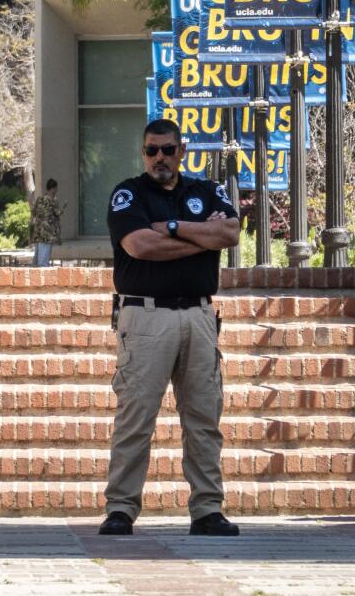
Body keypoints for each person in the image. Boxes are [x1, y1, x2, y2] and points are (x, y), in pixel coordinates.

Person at [100, 118, 241, 536]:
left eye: (167, 149)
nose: (159, 157)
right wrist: (203, 238)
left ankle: (207, 509)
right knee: (135, 416)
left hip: (199, 316)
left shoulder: (206, 191)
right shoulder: (129, 194)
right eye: (151, 150)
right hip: (145, 317)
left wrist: (176, 227)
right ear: (143, 154)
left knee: (203, 416)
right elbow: (140, 245)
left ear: (182, 151)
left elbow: (230, 232)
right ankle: (121, 508)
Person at [30, 178, 64, 266]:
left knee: (37, 259)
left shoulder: (39, 199)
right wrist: (64, 207)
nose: (57, 190)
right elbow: (58, 213)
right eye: (56, 188)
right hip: (47, 233)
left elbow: (33, 213)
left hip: (38, 232)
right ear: (52, 189)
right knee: (43, 261)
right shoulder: (53, 201)